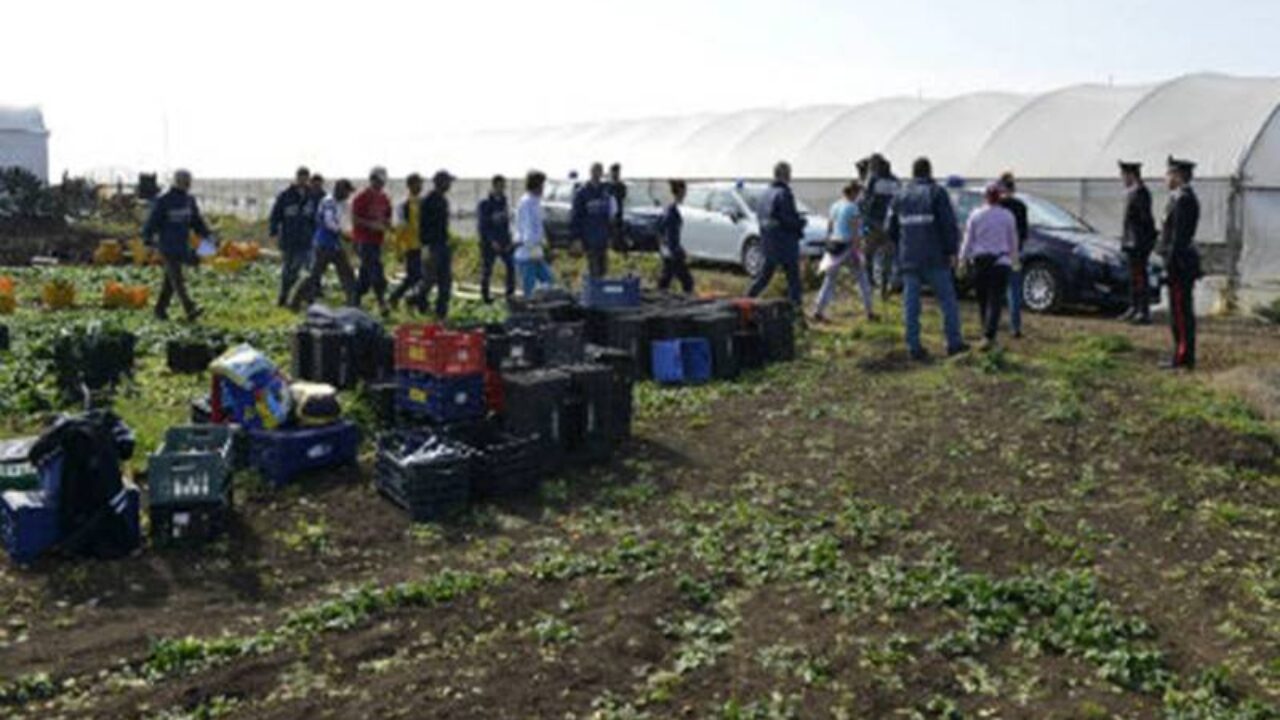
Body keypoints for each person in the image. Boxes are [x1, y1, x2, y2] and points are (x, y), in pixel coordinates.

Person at [888, 157, 968, 360]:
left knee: (911, 304)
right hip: (935, 258)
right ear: (929, 172)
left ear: (913, 173)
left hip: (909, 258)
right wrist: (952, 251)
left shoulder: (900, 194)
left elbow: (890, 228)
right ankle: (953, 343)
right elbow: (948, 225)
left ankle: (913, 346)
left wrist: (901, 248)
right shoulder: (937, 193)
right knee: (947, 301)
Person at [142, 169, 211, 322]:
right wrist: (147, 238)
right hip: (167, 246)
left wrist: (206, 233)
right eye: (184, 181)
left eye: (188, 181)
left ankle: (160, 310)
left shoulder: (189, 200)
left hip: (182, 245)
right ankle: (189, 308)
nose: (187, 184)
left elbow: (196, 221)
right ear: (176, 181)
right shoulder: (164, 200)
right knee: (177, 279)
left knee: (170, 281)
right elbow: (152, 221)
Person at [961, 183, 1020, 350]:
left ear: (985, 197)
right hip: (1001, 261)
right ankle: (989, 335)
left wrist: (962, 259)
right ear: (999, 197)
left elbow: (968, 239)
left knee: (983, 300)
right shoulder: (1007, 216)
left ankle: (985, 333)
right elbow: (1012, 240)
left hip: (980, 261)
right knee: (995, 300)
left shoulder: (976, 215)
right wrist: (1015, 260)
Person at [1159, 156, 1202, 370]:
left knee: (1181, 312)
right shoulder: (1177, 198)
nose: (1166, 178)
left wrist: (1169, 264)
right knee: (1177, 312)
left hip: (1180, 265)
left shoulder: (1184, 200)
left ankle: (1184, 357)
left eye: (1169, 174)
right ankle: (1179, 353)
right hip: (1177, 262)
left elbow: (1178, 238)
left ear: (1178, 176)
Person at [813, 181, 876, 323]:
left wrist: (828, 244)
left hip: (834, 247)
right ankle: (870, 311)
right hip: (848, 246)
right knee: (862, 278)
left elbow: (829, 228)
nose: (860, 196)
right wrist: (857, 250)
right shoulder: (853, 208)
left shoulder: (835, 206)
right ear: (854, 192)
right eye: (859, 193)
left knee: (829, 280)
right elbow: (855, 231)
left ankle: (818, 311)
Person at [746, 161, 807, 306]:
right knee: (793, 281)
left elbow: (761, 217)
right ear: (786, 175)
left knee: (764, 277)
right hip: (785, 243)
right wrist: (800, 224)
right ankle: (797, 314)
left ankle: (745, 301)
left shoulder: (765, 194)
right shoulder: (784, 194)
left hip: (768, 241)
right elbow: (787, 219)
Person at [291, 179, 358, 311]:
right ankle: (295, 302)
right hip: (324, 244)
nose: (348, 195)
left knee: (347, 273)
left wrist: (349, 233)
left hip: (335, 245)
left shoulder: (341, 203)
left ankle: (353, 302)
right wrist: (343, 234)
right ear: (340, 190)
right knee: (314, 275)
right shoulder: (328, 202)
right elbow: (329, 222)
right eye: (347, 191)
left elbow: (345, 221)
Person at [1119, 161, 1158, 325]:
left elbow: (1145, 219)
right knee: (1133, 276)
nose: (1123, 179)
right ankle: (1133, 306)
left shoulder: (1141, 193)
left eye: (1124, 176)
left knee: (1140, 276)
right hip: (1131, 240)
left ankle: (1143, 310)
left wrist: (1146, 240)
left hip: (1139, 241)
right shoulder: (1131, 192)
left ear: (1131, 175)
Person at [269, 166, 313, 307]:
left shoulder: (311, 196)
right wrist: (273, 231)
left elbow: (316, 217)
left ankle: (304, 298)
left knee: (306, 270)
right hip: (289, 239)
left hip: (306, 240)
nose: (303, 180)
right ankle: (283, 297)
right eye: (301, 177)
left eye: (305, 178)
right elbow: (275, 215)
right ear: (297, 177)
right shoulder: (285, 196)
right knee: (289, 270)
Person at [351, 167, 392, 314]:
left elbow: (387, 217)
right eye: (378, 180)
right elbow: (355, 219)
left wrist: (388, 227)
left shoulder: (384, 198)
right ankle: (382, 303)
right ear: (372, 179)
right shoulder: (361, 197)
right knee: (376, 270)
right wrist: (371, 225)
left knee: (365, 275)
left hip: (377, 240)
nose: (380, 184)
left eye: (382, 181)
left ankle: (355, 298)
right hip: (364, 240)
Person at [863, 154, 901, 299]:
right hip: (890, 226)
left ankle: (870, 286)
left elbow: (865, 201)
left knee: (869, 256)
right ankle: (884, 289)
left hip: (873, 224)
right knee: (888, 259)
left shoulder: (873, 180)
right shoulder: (895, 181)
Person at [419, 170, 456, 319]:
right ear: (440, 182)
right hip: (433, 245)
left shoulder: (443, 200)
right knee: (429, 279)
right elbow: (423, 226)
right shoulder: (429, 200)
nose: (450, 185)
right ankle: (418, 301)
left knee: (445, 281)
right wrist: (426, 244)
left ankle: (441, 312)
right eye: (448, 182)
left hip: (443, 244)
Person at [570, 162, 618, 278]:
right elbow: (576, 216)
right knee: (594, 269)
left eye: (599, 171)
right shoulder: (582, 192)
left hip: (603, 236)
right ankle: (594, 292)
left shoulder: (606, 190)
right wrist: (576, 237)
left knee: (603, 269)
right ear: (590, 172)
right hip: (589, 236)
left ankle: (601, 292)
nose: (597, 173)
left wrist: (611, 234)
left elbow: (612, 213)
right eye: (595, 170)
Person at [388, 173, 427, 313]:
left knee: (421, 277)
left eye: (421, 183)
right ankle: (399, 298)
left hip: (423, 246)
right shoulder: (403, 206)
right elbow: (400, 230)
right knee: (414, 277)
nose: (420, 186)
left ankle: (416, 303)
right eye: (417, 183)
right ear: (410, 186)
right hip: (410, 247)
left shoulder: (423, 203)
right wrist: (398, 250)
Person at [997, 172, 1029, 338]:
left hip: (997, 254)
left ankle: (991, 324)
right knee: (1014, 290)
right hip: (1015, 253)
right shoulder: (1021, 206)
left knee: (994, 289)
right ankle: (1015, 326)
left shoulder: (997, 206)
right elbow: (1024, 233)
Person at [515, 170, 555, 297]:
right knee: (529, 288)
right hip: (527, 253)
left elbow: (538, 226)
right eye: (542, 184)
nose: (543, 188)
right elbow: (528, 227)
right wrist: (532, 246)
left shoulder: (535, 202)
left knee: (548, 279)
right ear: (536, 184)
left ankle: (541, 303)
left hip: (536, 251)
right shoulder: (527, 202)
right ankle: (529, 313)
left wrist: (543, 243)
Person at [477, 174, 516, 303]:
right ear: (494, 186)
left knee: (510, 265)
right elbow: (483, 225)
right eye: (500, 186)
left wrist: (509, 240)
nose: (502, 188)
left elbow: (505, 223)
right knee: (487, 269)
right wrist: (491, 241)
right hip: (489, 243)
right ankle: (485, 296)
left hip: (503, 240)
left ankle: (510, 294)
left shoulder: (503, 201)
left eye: (503, 186)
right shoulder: (485, 203)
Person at [656, 179, 694, 294]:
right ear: (680, 191)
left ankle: (660, 299)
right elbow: (670, 236)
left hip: (669, 251)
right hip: (672, 253)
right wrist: (677, 251)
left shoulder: (669, 209)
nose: (685, 195)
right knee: (687, 282)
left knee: (665, 281)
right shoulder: (671, 212)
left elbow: (660, 229)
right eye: (684, 192)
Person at [608, 163, 628, 250]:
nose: (616, 174)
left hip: (618, 213)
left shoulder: (621, 186)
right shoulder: (607, 185)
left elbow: (622, 196)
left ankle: (617, 247)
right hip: (608, 213)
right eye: (614, 172)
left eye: (617, 172)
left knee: (618, 232)